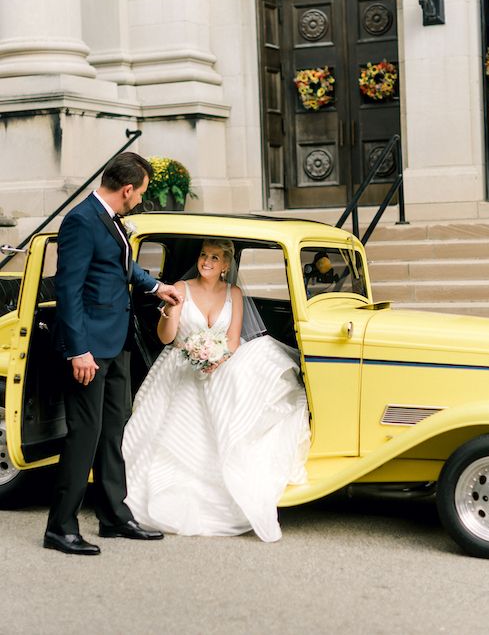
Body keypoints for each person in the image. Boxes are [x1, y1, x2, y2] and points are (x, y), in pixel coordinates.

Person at [122, 238, 310, 542]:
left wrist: (216, 359)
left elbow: (234, 340)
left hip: (218, 365)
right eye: (203, 256)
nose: (206, 262)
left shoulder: (233, 293)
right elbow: (166, 338)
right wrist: (171, 312)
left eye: (214, 258)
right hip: (179, 366)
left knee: (256, 377)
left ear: (225, 266)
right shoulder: (180, 289)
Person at [44, 152, 182, 556]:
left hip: (116, 342)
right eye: (140, 192)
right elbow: (68, 290)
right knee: (83, 437)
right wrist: (78, 351)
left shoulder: (111, 220)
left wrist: (156, 287)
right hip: (89, 349)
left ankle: (114, 517)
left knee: (112, 433)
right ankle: (60, 526)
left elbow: (119, 267)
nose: (140, 199)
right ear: (126, 189)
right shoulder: (81, 221)